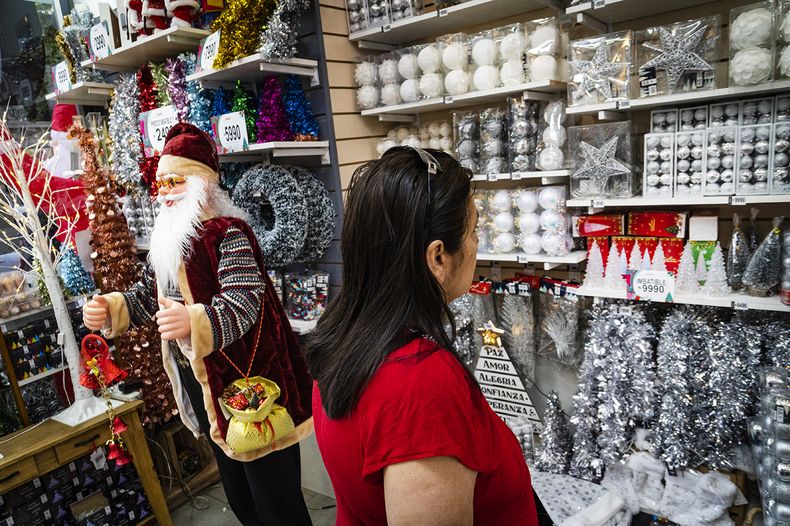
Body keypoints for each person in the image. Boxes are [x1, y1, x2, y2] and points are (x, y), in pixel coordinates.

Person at [82, 123, 314, 526]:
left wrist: (193, 321)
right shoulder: (169, 241)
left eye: (177, 181)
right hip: (206, 385)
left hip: (250, 386)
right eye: (162, 184)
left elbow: (243, 300)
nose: (167, 192)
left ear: (203, 183)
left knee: (278, 506)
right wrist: (109, 307)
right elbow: (144, 297)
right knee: (242, 500)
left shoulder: (229, 234)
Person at [306, 147, 538, 525]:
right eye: (474, 229)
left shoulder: (344, 331)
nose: (478, 243)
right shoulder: (420, 384)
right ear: (438, 258)